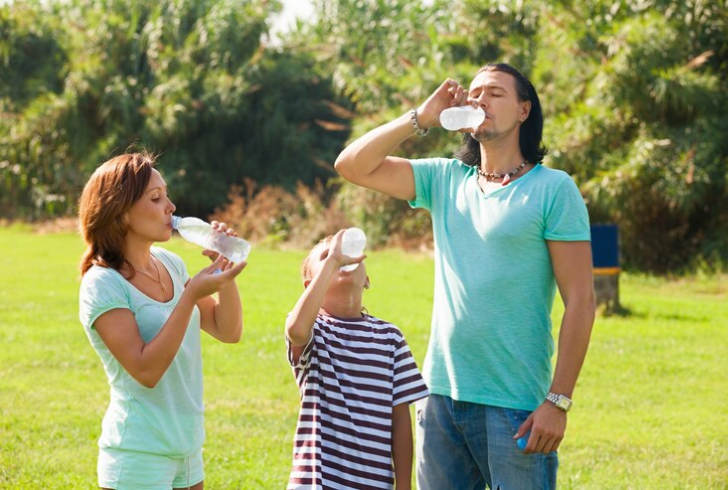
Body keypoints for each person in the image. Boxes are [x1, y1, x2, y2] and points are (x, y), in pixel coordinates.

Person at [334, 63, 596, 489]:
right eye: (474, 92)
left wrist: (558, 401)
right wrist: (422, 116)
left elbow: (581, 303)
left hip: (516, 406)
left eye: (494, 92)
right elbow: (352, 165)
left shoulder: (553, 189)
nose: (479, 99)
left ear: (524, 110)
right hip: (440, 398)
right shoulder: (444, 179)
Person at [78, 152, 247, 490]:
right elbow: (146, 371)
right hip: (139, 453)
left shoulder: (171, 264)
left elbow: (228, 331)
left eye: (166, 195)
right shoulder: (102, 283)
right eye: (156, 198)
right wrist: (190, 296)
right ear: (121, 211)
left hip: (187, 448)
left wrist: (224, 272)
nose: (170, 207)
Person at [285, 230, 430, 490]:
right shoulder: (315, 330)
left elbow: (400, 419)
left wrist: (404, 484)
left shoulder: (390, 337)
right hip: (319, 482)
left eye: (348, 255)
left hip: (375, 482)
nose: (340, 258)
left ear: (367, 280)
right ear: (310, 287)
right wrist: (332, 264)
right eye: (327, 256)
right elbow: (295, 331)